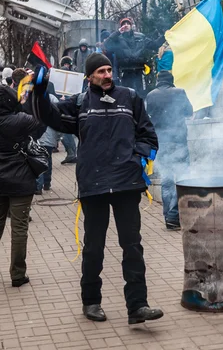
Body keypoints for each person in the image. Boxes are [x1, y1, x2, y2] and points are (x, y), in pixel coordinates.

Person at [32, 53, 163, 326]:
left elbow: (149, 135)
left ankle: (138, 306)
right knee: (94, 248)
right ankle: (91, 301)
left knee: (133, 247)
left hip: (127, 184)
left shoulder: (130, 98)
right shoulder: (79, 103)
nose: (106, 75)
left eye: (108, 70)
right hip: (94, 185)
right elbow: (52, 118)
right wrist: (41, 91)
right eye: (100, 71)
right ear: (89, 76)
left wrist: (136, 157)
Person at [0, 85, 45, 287]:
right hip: (20, 181)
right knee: (19, 229)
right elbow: (42, 125)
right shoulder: (21, 120)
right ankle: (18, 274)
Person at [146, 71, 193, 230]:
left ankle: (168, 215)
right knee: (180, 178)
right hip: (178, 141)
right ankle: (174, 216)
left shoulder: (151, 95)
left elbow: (148, 117)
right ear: (171, 80)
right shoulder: (179, 92)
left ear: (158, 81)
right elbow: (189, 112)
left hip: (160, 142)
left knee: (166, 180)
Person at [104, 17, 162, 98]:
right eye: (124, 24)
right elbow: (107, 44)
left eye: (128, 23)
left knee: (140, 95)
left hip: (139, 71)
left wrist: (165, 35)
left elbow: (154, 45)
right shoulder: (117, 39)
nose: (126, 25)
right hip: (125, 72)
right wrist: (118, 32)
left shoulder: (140, 37)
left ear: (131, 26)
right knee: (126, 95)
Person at [36, 93, 59, 193]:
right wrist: (58, 138)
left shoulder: (32, 98)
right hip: (50, 138)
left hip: (36, 137)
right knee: (48, 160)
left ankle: (38, 186)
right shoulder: (52, 98)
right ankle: (46, 183)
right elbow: (59, 118)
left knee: (38, 161)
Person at [59, 57, 78, 163]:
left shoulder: (70, 75)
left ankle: (72, 154)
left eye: (67, 65)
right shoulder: (73, 74)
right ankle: (72, 153)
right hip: (69, 105)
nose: (66, 66)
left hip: (67, 106)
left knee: (65, 132)